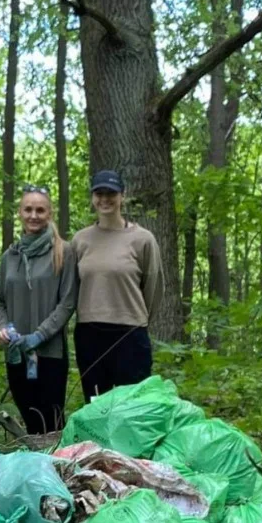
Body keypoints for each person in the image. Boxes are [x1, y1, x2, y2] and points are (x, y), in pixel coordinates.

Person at [69, 169, 161, 402]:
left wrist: (135, 316)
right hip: (89, 333)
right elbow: (71, 288)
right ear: (92, 197)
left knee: (132, 406)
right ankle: (99, 441)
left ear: (123, 196)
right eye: (99, 193)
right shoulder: (80, 240)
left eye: (111, 193)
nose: (105, 199)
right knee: (96, 403)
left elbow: (153, 287)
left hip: (130, 333)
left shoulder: (143, 239)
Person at [0, 185, 78, 435]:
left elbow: (68, 302)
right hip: (16, 353)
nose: (34, 215)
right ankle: (34, 471)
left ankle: (57, 469)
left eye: (40, 210)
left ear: (49, 214)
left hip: (50, 353)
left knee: (51, 423)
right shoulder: (11, 256)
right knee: (30, 420)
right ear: (19, 213)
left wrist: (40, 335)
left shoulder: (64, 251)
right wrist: (2, 326)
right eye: (28, 209)